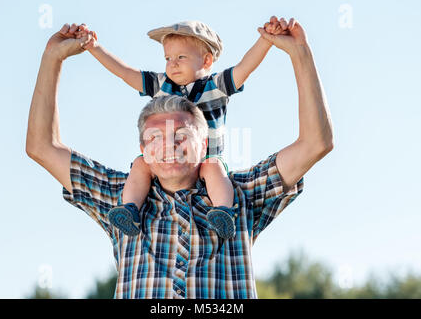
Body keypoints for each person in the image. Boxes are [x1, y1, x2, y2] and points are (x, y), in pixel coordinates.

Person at [26, 16, 333, 298]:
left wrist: (300, 53)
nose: (168, 147)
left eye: (181, 137)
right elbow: (42, 146)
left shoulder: (241, 194)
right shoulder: (119, 197)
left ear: (203, 145)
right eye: (155, 138)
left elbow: (316, 143)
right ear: (142, 150)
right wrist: (52, 59)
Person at [73, 20, 287, 240]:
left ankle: (223, 211)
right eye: (168, 59)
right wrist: (94, 48)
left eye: (181, 57)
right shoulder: (161, 85)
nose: (173, 64)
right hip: (166, 162)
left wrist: (265, 40)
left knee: (213, 168)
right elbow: (125, 73)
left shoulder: (216, 86)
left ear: (206, 60)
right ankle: (130, 209)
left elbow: (245, 67)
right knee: (140, 163)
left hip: (205, 158)